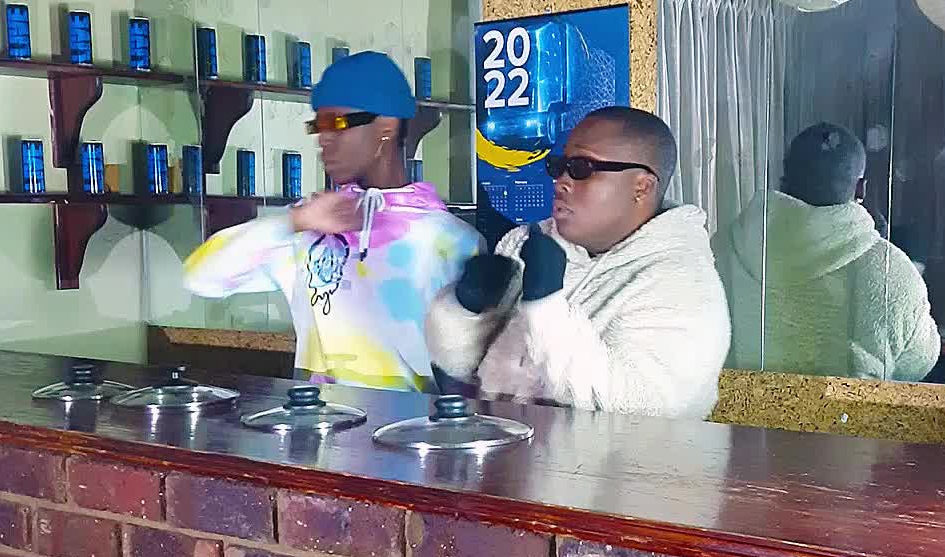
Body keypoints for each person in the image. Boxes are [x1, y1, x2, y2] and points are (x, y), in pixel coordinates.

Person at [184, 52, 480, 390]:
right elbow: (201, 277)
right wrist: (294, 221)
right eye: (318, 127)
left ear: (386, 126)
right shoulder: (309, 228)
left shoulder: (450, 240)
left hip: (411, 423)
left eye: (336, 124)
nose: (323, 139)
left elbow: (471, 367)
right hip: (316, 421)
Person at [425, 107, 731, 417]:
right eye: (559, 166)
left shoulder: (683, 285)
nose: (561, 182)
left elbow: (645, 411)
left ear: (642, 186)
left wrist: (546, 307)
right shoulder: (526, 242)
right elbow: (467, 373)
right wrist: (464, 312)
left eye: (582, 168)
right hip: (501, 443)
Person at [712, 122, 941, 380]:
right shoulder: (893, 271)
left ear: (783, 179)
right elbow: (919, 362)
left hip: (732, 407)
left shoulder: (720, 250)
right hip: (844, 408)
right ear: (861, 188)